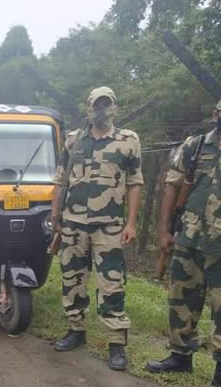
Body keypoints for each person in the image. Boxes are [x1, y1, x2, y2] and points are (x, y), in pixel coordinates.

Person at [50, 86, 143, 371]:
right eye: (96, 105)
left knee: (112, 284)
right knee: (72, 279)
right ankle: (76, 331)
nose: (102, 110)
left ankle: (116, 343)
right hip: (73, 224)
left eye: (107, 105)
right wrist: (56, 218)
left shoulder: (128, 141)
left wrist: (131, 222)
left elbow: (135, 182)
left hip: (110, 226)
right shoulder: (73, 141)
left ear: (115, 108)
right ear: (88, 109)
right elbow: (60, 181)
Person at [146, 99, 221, 387]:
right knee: (181, 299)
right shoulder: (196, 146)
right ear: (215, 114)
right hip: (188, 238)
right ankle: (180, 356)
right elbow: (172, 187)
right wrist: (163, 231)